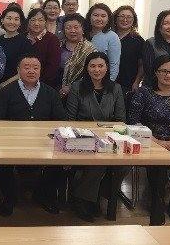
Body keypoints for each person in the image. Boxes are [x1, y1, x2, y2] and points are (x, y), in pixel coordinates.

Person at [0, 54, 66, 216]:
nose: (31, 71)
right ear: (18, 70)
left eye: (35, 67)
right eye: (26, 67)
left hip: (44, 143)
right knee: (0, 162)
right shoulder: (6, 91)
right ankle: (9, 197)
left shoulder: (51, 93)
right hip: (11, 143)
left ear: (40, 70)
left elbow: (61, 120)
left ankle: (44, 196)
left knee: (59, 162)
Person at [129, 55, 170, 226]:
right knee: (157, 162)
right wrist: (155, 141)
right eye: (164, 71)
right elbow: (134, 121)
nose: (168, 75)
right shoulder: (144, 93)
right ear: (156, 73)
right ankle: (156, 202)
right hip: (149, 141)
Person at [66, 52, 125, 222]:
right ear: (86, 68)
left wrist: (108, 135)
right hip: (82, 137)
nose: (97, 70)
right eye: (92, 66)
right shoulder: (77, 87)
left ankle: (92, 195)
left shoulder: (116, 88)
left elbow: (121, 120)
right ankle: (87, 199)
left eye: (101, 66)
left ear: (107, 68)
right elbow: (70, 119)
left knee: (124, 164)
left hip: (108, 137)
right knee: (98, 163)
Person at [0, 6, 34, 87]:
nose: (12, 22)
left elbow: (26, 69)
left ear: (20, 23)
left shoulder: (25, 43)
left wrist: (6, 84)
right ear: (2, 20)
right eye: (9, 18)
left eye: (16, 19)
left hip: (16, 86)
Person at [59, 14, 96, 98]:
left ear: (83, 29)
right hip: (56, 88)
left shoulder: (89, 49)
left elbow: (91, 73)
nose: (72, 31)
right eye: (68, 28)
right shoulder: (58, 45)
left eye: (76, 27)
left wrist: (70, 87)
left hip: (80, 92)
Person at [112, 6, 144, 96]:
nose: (125, 20)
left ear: (134, 20)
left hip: (127, 85)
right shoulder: (109, 37)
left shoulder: (138, 41)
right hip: (106, 84)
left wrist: (137, 82)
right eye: (122, 16)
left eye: (129, 17)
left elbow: (142, 65)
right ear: (115, 19)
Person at [85, 3, 121, 81]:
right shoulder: (83, 33)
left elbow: (114, 64)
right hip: (80, 81)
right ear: (89, 17)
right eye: (96, 15)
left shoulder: (112, 36)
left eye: (103, 16)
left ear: (108, 19)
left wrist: (109, 83)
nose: (99, 19)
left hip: (101, 81)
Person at [26, 8, 61, 88]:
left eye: (40, 20)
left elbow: (53, 66)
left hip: (44, 84)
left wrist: (36, 83)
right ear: (28, 22)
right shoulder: (23, 37)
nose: (36, 23)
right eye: (33, 20)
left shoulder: (52, 39)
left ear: (45, 22)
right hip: (22, 83)